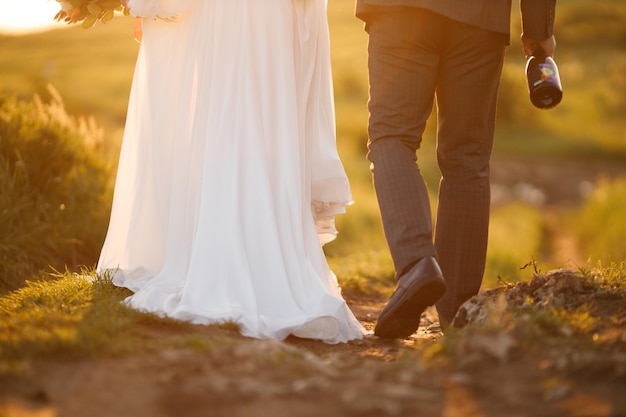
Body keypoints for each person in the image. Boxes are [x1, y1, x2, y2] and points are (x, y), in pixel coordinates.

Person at [97, 0, 364, 344]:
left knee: (227, 117)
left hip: (233, 13)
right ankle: (267, 262)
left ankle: (225, 257)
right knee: (261, 119)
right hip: (276, 14)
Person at [355, 0, 557, 338]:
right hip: (480, 17)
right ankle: (460, 312)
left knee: (393, 136)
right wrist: (539, 29)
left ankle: (416, 265)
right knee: (467, 157)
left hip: (399, 12)